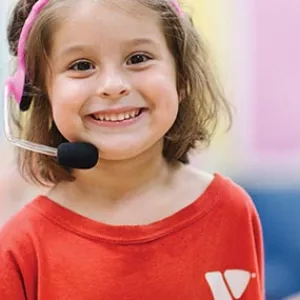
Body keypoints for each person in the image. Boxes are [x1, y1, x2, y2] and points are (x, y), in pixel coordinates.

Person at [0, 0, 264, 299]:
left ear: (181, 77)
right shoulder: (21, 245)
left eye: (138, 58)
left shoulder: (231, 211)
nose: (113, 86)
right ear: (41, 94)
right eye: (82, 66)